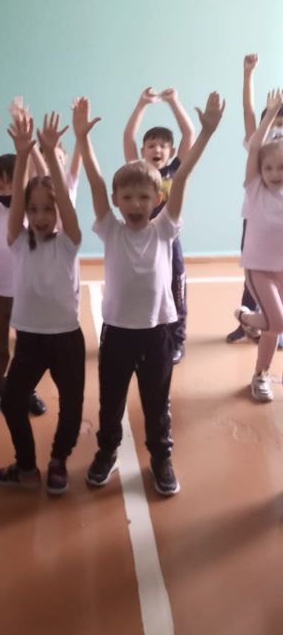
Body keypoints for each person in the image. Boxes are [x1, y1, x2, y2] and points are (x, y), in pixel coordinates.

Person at [81, 91, 225, 495]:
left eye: (144, 197)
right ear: (116, 201)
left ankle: (161, 456)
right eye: (127, 197)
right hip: (116, 332)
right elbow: (95, 181)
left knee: (157, 401)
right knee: (111, 400)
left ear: (158, 199)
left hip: (157, 331)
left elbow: (185, 175)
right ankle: (107, 450)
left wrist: (206, 133)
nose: (135, 204)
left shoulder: (164, 229)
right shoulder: (110, 229)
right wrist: (83, 139)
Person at [0, 110, 85, 496]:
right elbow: (17, 201)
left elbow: (62, 197)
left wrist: (48, 154)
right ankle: (27, 466)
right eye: (34, 209)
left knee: (72, 406)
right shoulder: (19, 241)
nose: (42, 216)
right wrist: (22, 154)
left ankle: (59, 460)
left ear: (60, 211)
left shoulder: (69, 241)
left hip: (66, 338)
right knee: (12, 402)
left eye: (49, 208)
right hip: (30, 338)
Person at [0, 105, 46, 417]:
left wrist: (28, 147)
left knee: (29, 345)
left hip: (28, 291)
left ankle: (28, 389)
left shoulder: (30, 206)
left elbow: (42, 175)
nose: (4, 187)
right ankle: (0, 389)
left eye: (11, 181)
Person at [123, 86, 196, 364]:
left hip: (168, 241)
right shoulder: (138, 172)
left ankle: (177, 340)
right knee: (143, 289)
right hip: (141, 241)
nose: (157, 149)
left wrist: (174, 102)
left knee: (176, 288)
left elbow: (189, 134)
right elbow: (128, 136)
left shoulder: (175, 170)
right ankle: (141, 336)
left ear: (171, 151)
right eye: (151, 145)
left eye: (163, 145)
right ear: (143, 150)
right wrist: (141, 104)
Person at [226, 54, 283, 348]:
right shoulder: (258, 148)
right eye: (272, 123)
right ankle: (247, 321)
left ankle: (274, 325)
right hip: (257, 219)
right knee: (257, 272)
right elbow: (248, 111)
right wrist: (248, 74)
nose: (276, 130)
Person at [233, 89, 283, 401]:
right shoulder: (255, 189)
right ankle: (245, 317)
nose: (274, 174)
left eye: (281, 168)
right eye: (268, 168)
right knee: (277, 321)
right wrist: (271, 113)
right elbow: (255, 147)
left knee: (274, 327)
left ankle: (260, 374)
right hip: (260, 269)